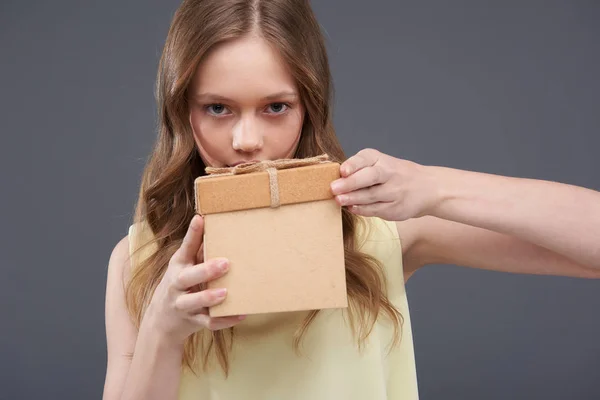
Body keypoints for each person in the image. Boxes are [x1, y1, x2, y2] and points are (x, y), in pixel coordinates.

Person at [102, 1, 600, 399]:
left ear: (309, 108)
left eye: (276, 107)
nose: (247, 140)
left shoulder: (374, 234)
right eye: (217, 108)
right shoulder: (137, 262)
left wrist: (434, 188)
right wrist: (162, 334)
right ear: (180, 110)